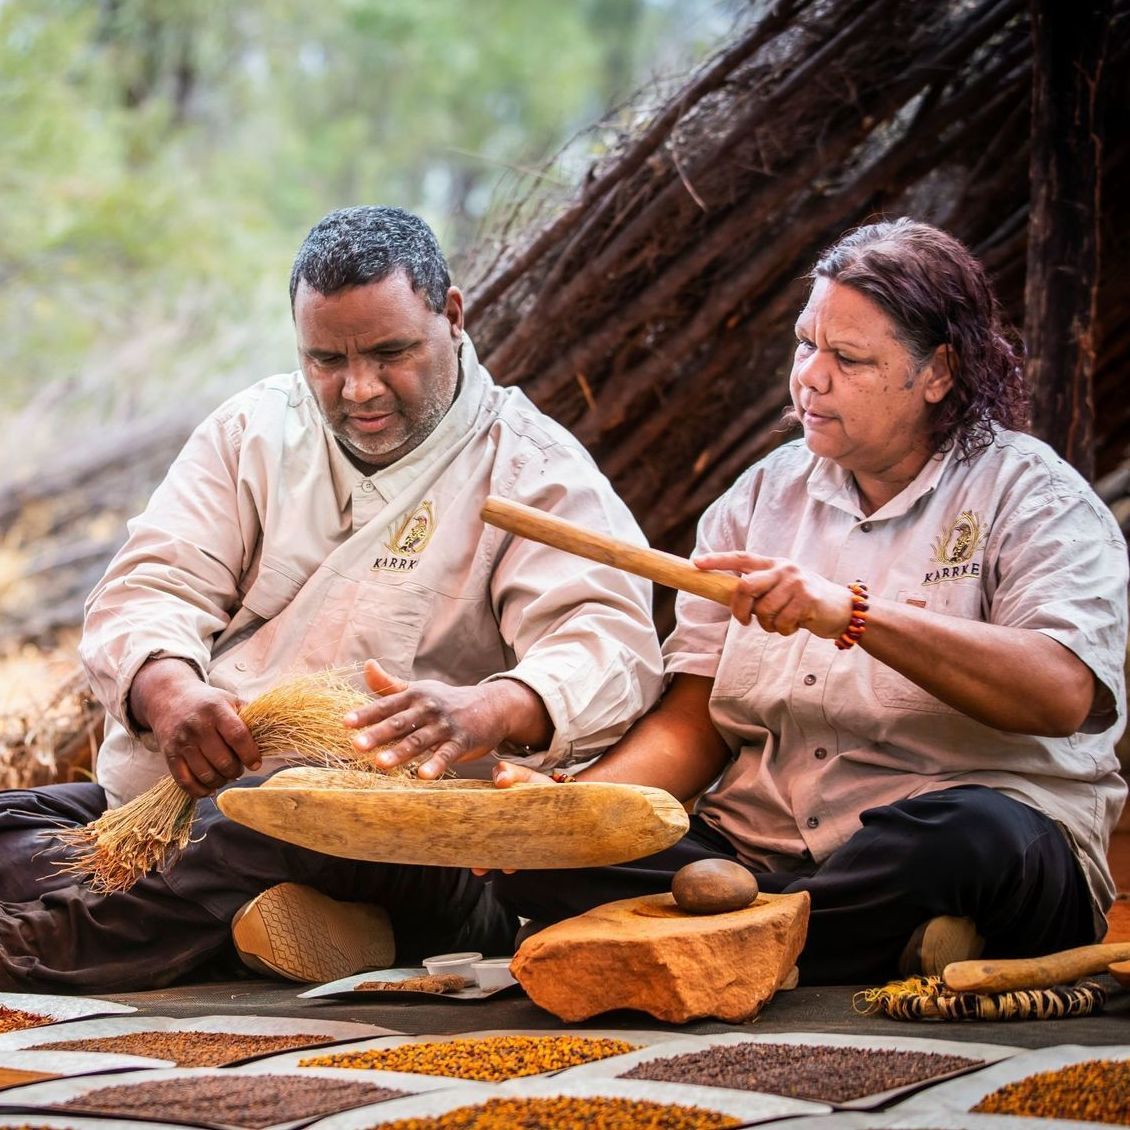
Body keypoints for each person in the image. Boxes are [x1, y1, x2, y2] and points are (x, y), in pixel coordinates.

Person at [0, 204, 663, 992]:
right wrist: (171, 691)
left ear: (452, 316)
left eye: (391, 353)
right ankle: (273, 927)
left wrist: (488, 709)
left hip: (411, 845)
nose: (359, 389)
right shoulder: (251, 430)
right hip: (191, 817)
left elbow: (608, 643)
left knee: (287, 816)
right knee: (26, 827)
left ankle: (32, 953)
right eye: (326, 360)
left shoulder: (532, 467)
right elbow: (151, 584)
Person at [492, 217, 1129, 985]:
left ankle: (736, 936)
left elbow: (1061, 694)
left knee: (971, 840)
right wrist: (576, 815)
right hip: (760, 850)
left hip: (941, 838)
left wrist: (851, 614)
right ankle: (839, 939)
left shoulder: (1032, 495)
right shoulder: (758, 497)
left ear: (938, 372)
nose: (810, 377)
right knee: (539, 860)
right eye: (805, 345)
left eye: (848, 358)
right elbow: (696, 724)